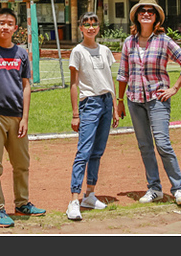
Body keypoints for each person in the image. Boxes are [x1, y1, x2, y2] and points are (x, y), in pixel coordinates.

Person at [116, 0, 181, 207]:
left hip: (157, 99)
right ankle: (154, 188)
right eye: (142, 11)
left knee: (162, 143)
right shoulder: (128, 43)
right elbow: (123, 73)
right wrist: (120, 100)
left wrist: (174, 88)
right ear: (136, 16)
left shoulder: (164, 41)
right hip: (134, 100)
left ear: (156, 17)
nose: (146, 14)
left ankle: (178, 189)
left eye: (150, 11)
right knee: (144, 146)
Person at [0, 8, 47, 228]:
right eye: (1, 22)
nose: (5, 26)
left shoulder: (22, 54)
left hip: (17, 118)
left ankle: (22, 203)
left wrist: (25, 118)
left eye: (10, 23)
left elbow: (26, 86)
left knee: (22, 164)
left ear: (16, 28)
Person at [66, 11, 120, 221]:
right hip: (89, 103)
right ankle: (74, 199)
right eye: (86, 24)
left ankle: (90, 194)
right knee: (84, 151)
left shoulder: (105, 50)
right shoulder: (78, 52)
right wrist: (75, 114)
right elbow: (74, 83)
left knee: (97, 151)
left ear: (99, 27)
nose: (90, 27)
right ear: (80, 28)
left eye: (94, 24)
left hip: (106, 102)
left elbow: (109, 79)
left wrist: (115, 106)